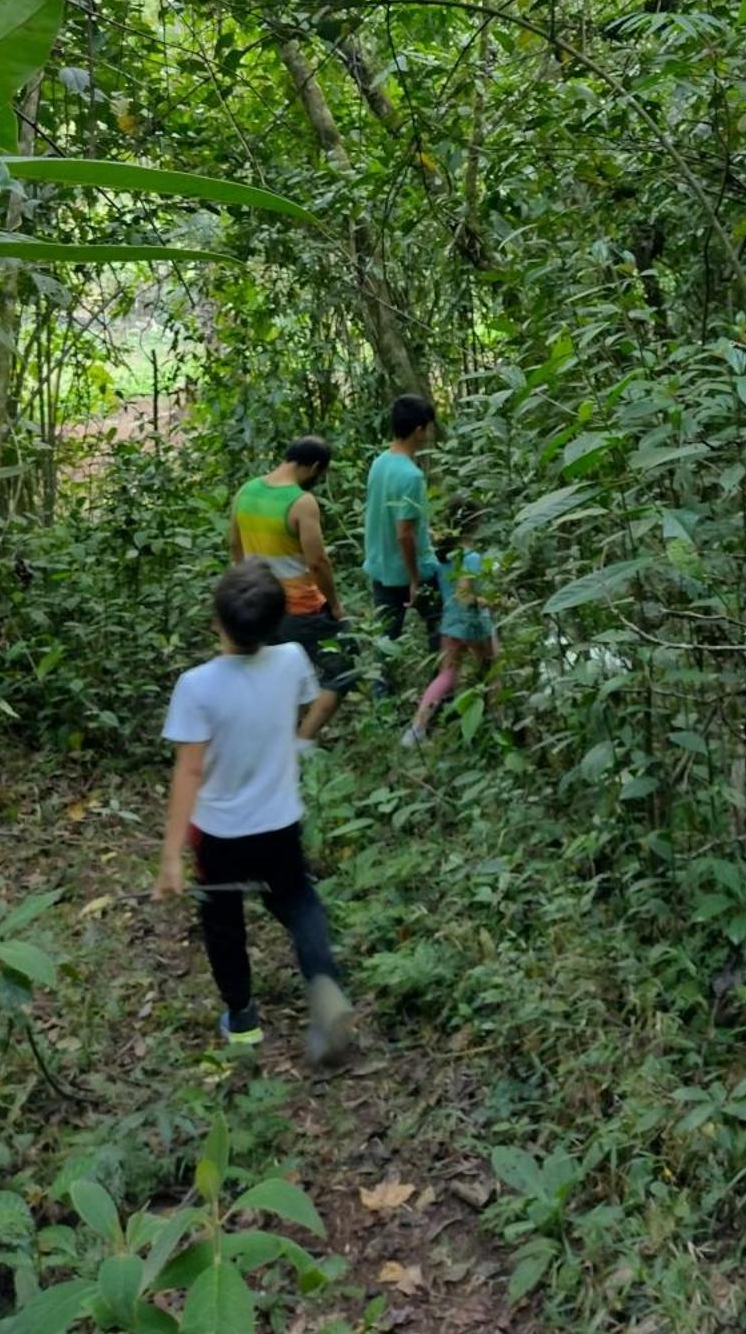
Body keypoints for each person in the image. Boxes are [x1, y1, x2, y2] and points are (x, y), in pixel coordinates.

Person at [153, 561, 355, 1065]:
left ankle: (243, 1023)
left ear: (216, 622)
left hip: (219, 834)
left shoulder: (197, 686)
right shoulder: (290, 660)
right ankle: (324, 982)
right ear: (275, 623)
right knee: (298, 900)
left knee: (223, 921)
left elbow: (189, 774)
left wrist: (172, 855)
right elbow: (308, 704)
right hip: (280, 821)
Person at [230, 436, 353, 728]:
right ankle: (303, 741)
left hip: (259, 602)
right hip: (301, 606)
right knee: (344, 668)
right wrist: (335, 605)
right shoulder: (301, 502)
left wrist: (248, 583)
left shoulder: (246, 491)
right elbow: (317, 562)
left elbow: (234, 543)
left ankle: (281, 737)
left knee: (275, 675)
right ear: (313, 467)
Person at [402, 501, 500, 748]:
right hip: (473, 624)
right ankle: (497, 725)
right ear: (476, 524)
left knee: (447, 675)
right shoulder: (472, 558)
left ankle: (416, 729)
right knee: (492, 670)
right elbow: (465, 596)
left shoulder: (443, 555)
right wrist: (490, 601)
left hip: (449, 622)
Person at [363, 396, 440, 685]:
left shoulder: (379, 463)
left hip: (379, 566)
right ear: (419, 430)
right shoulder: (411, 475)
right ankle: (440, 692)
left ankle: (383, 698)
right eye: (428, 428)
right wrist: (415, 578)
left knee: (386, 639)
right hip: (409, 570)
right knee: (439, 628)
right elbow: (404, 533)